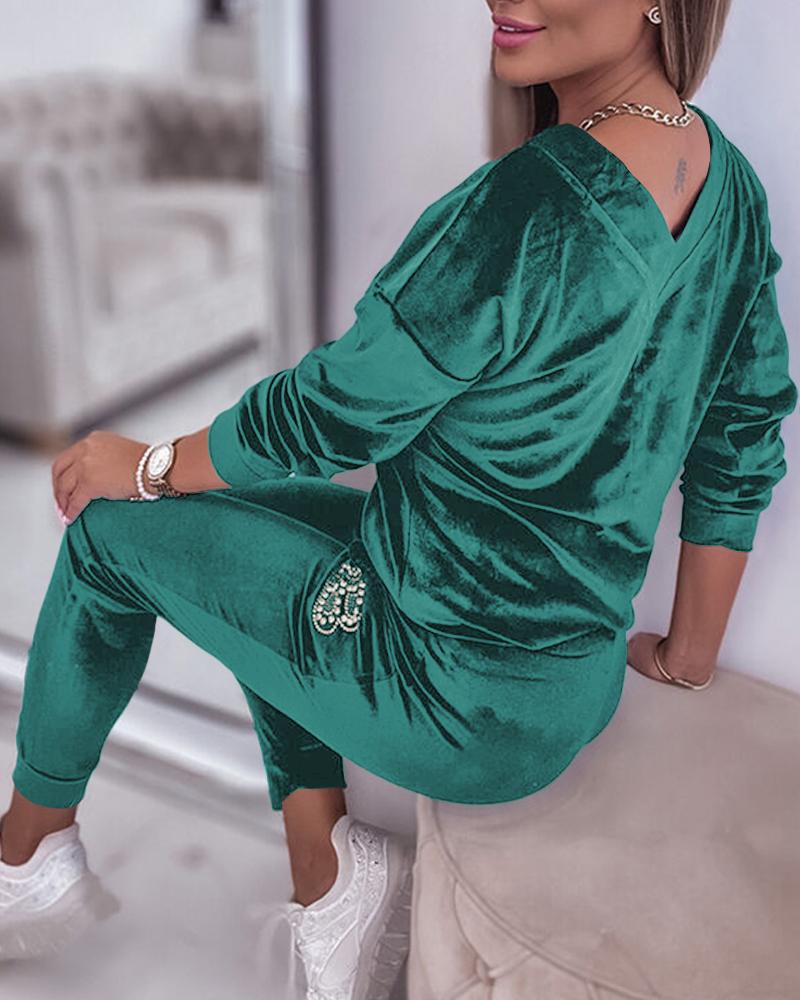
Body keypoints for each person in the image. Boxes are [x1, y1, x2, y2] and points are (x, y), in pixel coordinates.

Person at [1, 0, 797, 996]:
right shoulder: (726, 183)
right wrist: (686, 656)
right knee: (255, 549)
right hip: (572, 684)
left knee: (109, 535)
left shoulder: (527, 203)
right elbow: (740, 434)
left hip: (442, 694)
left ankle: (24, 859)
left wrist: (149, 464)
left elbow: (333, 414)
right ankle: (328, 874)